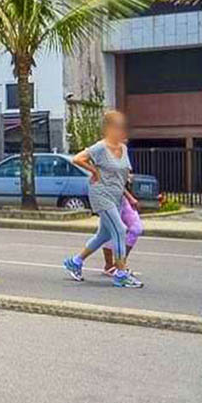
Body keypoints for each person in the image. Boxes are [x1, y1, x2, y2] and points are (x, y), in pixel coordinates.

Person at [63, 110, 143, 288]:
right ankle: (121, 273)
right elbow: (77, 159)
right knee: (120, 230)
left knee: (104, 234)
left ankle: (75, 262)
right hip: (101, 194)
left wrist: (128, 197)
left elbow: (122, 176)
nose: (121, 130)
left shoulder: (123, 148)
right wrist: (94, 171)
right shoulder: (100, 147)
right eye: (117, 126)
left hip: (116, 196)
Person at [103, 185, 143, 276]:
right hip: (111, 197)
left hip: (123, 197)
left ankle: (120, 263)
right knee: (110, 230)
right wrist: (131, 198)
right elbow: (115, 182)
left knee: (136, 228)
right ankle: (110, 266)